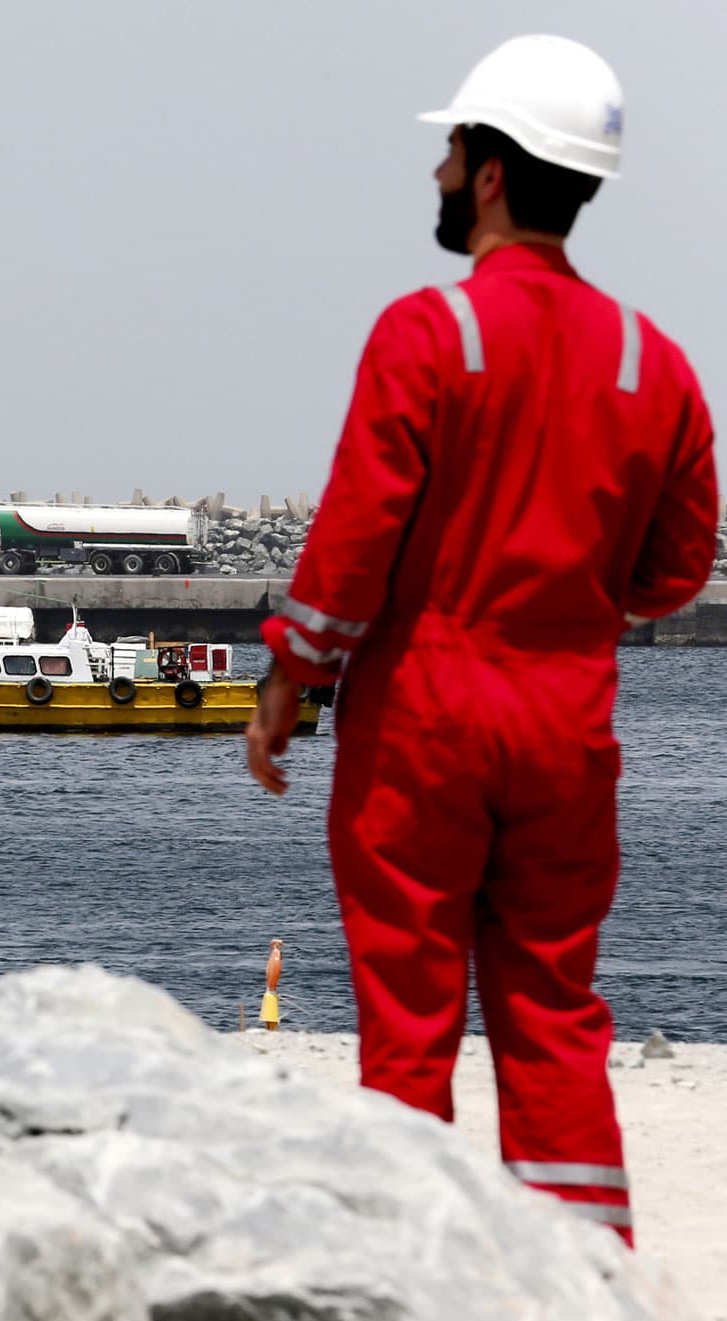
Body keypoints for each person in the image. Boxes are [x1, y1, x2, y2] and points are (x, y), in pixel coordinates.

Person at [245, 35, 717, 1245]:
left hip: (423, 720)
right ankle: (586, 1283)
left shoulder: (427, 336)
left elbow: (349, 551)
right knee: (553, 1013)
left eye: (450, 152)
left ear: (493, 172)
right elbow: (675, 572)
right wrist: (569, 603)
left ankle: (408, 1273)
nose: (438, 175)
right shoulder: (651, 365)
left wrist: (286, 686)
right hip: (568, 726)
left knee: (407, 1017)